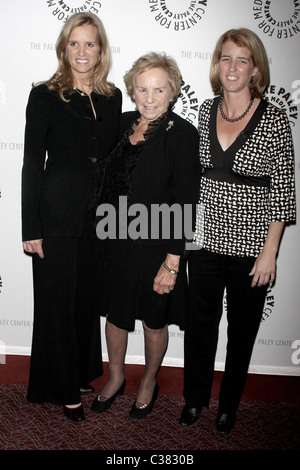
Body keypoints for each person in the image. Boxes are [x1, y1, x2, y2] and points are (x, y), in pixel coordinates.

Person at [179, 28, 296, 435]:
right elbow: (195, 177)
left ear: (255, 68)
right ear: (217, 64)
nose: (232, 67)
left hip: (252, 250)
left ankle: (227, 406)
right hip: (205, 242)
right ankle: (195, 400)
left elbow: (284, 190)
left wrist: (271, 252)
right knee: (200, 328)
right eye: (226, 58)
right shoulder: (205, 110)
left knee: (242, 333)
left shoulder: (275, 118)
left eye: (242, 60)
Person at [21, 12, 122, 422]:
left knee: (83, 303)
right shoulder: (45, 95)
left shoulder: (113, 97)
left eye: (91, 43)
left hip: (97, 220)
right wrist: (31, 227)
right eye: (75, 43)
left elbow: (117, 158)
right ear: (64, 48)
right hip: (56, 217)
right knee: (57, 304)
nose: (83, 52)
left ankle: (78, 372)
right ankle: (64, 388)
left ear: (101, 49)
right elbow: (31, 162)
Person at [90, 52, 200, 420]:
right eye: (142, 88)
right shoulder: (121, 124)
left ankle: (149, 380)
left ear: (173, 92)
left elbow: (186, 202)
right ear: (132, 91)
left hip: (158, 248)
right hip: (117, 242)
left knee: (155, 321)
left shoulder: (183, 134)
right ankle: (117, 376)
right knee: (116, 317)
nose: (149, 97)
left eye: (159, 89)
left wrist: (172, 262)